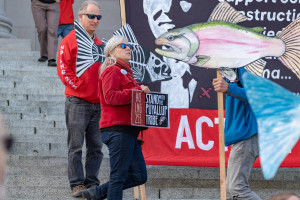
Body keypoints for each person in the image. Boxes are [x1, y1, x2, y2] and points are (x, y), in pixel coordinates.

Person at [81, 35, 149, 200]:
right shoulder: (112, 70)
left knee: (140, 175)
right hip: (117, 129)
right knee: (118, 176)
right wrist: (137, 92)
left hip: (128, 130)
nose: (128, 48)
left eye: (129, 45)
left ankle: (97, 193)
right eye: (123, 45)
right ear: (111, 52)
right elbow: (110, 97)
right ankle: (98, 193)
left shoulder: (126, 73)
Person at [56, 0, 104, 197]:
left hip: (98, 105)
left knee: (96, 148)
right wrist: (79, 85)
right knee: (75, 146)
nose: (95, 20)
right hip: (77, 102)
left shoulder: (101, 44)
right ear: (80, 17)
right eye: (91, 16)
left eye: (98, 17)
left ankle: (92, 183)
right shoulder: (70, 39)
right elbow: (62, 68)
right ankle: (77, 184)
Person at [212, 68, 261, 200]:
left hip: (246, 136)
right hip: (243, 137)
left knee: (237, 188)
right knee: (231, 190)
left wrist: (228, 87)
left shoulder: (244, 66)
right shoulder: (230, 69)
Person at [31, 0, 60, 67]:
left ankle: (52, 59)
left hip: (53, 4)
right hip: (38, 3)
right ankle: (44, 54)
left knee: (52, 31)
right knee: (41, 29)